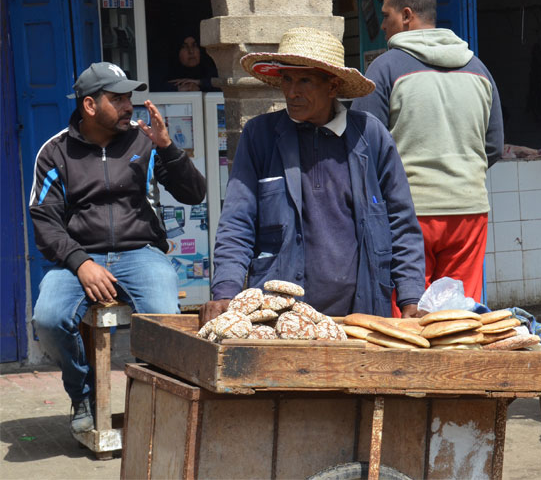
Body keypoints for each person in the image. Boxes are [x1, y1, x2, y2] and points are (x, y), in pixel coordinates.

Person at [201, 27, 425, 324]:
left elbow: (401, 223)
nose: (292, 92)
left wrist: (410, 298)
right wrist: (226, 291)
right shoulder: (261, 136)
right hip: (279, 313)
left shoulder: (370, 135)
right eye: (287, 79)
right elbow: (237, 221)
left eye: (305, 80)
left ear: (332, 86)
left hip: (361, 311)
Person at [30, 62, 207, 433]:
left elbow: (194, 193)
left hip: (141, 252)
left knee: (165, 319)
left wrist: (168, 147)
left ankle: (157, 404)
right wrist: (80, 263)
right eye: (118, 99)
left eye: (129, 97)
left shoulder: (144, 142)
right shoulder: (54, 153)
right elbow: (45, 221)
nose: (129, 106)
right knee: (47, 319)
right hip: (79, 257)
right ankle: (83, 393)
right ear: (90, 106)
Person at [350, 0, 503, 305]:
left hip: (408, 216)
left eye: (386, 15)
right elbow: (493, 146)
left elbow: (362, 149)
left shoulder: (384, 69)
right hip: (469, 212)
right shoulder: (479, 69)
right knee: (458, 318)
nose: (382, 24)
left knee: (407, 317)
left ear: (406, 16)